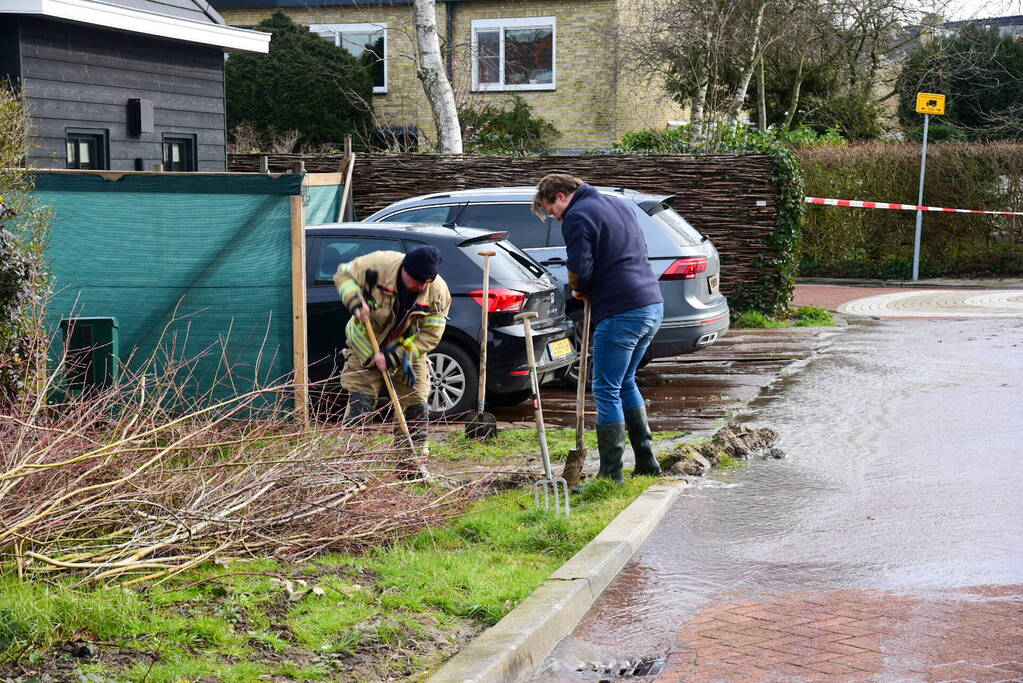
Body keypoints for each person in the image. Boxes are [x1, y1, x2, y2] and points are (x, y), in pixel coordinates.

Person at [533, 174, 664, 483]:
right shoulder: (618, 203)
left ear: (561, 196)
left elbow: (579, 266)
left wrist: (579, 288)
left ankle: (611, 475)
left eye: (552, 209)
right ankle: (646, 462)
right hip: (651, 304)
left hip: (621, 310)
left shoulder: (577, 216)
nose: (555, 216)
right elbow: (637, 246)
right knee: (625, 381)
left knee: (605, 388)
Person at [333, 245, 450, 480]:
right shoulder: (379, 265)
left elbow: (430, 336)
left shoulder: (438, 292)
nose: (422, 287)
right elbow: (343, 274)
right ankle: (352, 466)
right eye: (417, 280)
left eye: (427, 281)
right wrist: (355, 301)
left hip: (407, 351)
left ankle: (411, 465)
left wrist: (393, 355)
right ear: (404, 269)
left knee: (416, 403)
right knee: (361, 402)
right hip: (366, 342)